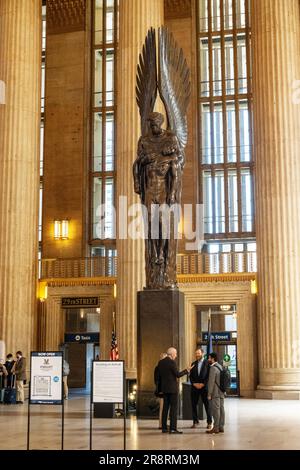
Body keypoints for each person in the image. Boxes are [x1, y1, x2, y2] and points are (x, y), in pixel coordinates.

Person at [156, 347, 192, 434]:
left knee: (165, 408)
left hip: (164, 389)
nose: (176, 356)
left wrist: (160, 389)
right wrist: (187, 370)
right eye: (175, 354)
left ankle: (164, 428)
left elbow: (159, 377)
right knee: (173, 409)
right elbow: (178, 375)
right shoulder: (172, 362)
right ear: (172, 354)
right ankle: (173, 429)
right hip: (172, 389)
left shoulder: (160, 362)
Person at [189, 348, 212, 430]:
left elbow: (209, 375)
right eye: (196, 353)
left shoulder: (207, 363)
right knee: (193, 405)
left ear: (202, 353)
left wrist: (203, 384)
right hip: (195, 388)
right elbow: (190, 376)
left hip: (204, 388)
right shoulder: (193, 363)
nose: (197, 355)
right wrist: (194, 384)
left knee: (207, 405)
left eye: (198, 353)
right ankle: (195, 421)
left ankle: (209, 422)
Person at [207, 352, 225, 434]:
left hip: (215, 393)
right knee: (221, 409)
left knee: (216, 410)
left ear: (213, 359)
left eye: (209, 358)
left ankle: (216, 428)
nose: (208, 359)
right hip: (221, 392)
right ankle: (221, 426)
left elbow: (211, 382)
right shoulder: (220, 366)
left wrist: (209, 394)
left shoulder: (213, 368)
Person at [154, 352, 167, 429]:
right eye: (163, 357)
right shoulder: (158, 368)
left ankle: (164, 423)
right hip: (161, 391)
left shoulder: (165, 367)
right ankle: (160, 424)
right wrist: (160, 390)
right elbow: (157, 381)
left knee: (166, 408)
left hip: (166, 390)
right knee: (162, 408)